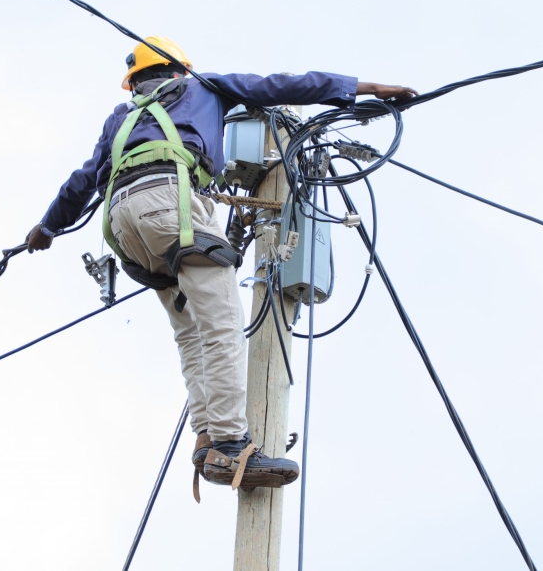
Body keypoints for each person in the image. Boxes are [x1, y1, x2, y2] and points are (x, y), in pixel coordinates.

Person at [25, 36, 415, 493]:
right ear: (180, 71)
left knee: (190, 330)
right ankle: (231, 445)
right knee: (223, 323)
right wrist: (368, 88)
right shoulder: (205, 87)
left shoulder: (121, 117)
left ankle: (207, 433)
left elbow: (82, 181)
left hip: (124, 226)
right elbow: (284, 85)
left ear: (137, 82)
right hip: (172, 205)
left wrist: (46, 228)